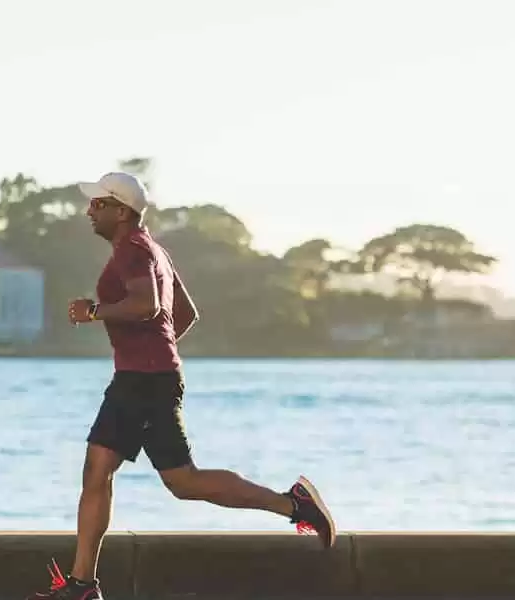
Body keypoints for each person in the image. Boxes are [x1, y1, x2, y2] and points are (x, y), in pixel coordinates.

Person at [26, 172, 336, 600]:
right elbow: (183, 314)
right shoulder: (153, 250)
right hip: (145, 378)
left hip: (144, 382)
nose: (89, 211)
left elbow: (149, 306)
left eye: (98, 204)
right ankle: (84, 584)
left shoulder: (133, 251)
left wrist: (95, 311)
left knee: (158, 478)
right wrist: (153, 348)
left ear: (121, 210)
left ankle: (293, 504)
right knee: (130, 475)